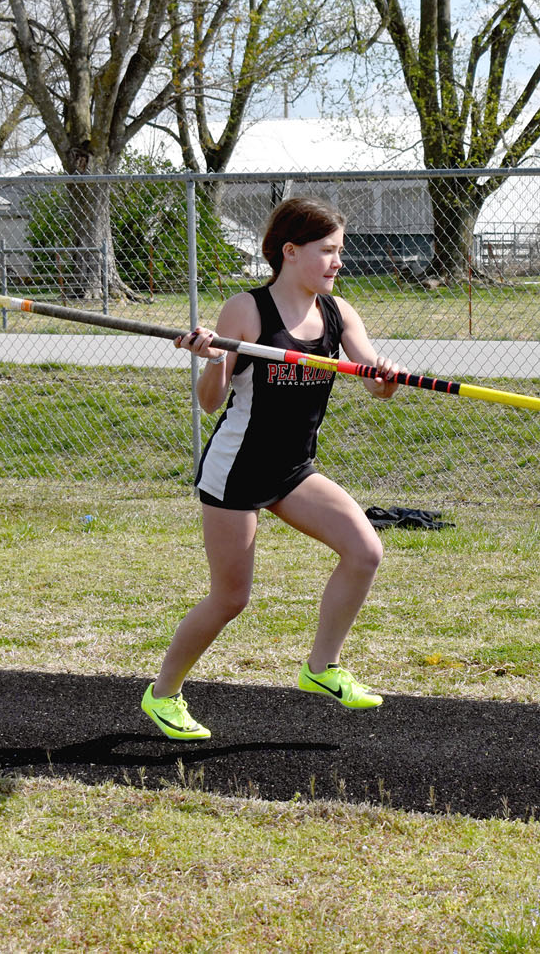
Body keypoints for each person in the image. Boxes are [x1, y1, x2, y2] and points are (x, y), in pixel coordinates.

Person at [140, 196, 399, 740]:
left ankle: (321, 667)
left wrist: (386, 375)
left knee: (365, 551)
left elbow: (375, 385)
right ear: (290, 251)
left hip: (293, 469)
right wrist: (214, 359)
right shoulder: (247, 309)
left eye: (340, 251)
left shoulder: (339, 312)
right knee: (231, 598)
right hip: (237, 469)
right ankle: (162, 694)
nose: (338, 262)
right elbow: (210, 402)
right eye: (327, 251)